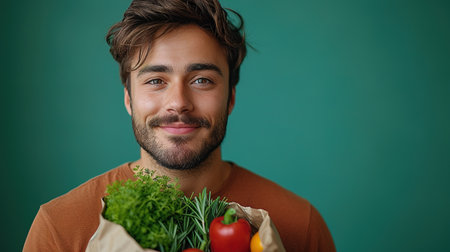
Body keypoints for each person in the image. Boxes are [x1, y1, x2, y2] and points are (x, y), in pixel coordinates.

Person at [23, 0, 336, 251]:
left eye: (202, 80)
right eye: (156, 80)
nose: (179, 102)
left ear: (230, 98)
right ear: (129, 99)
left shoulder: (300, 225)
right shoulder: (61, 229)